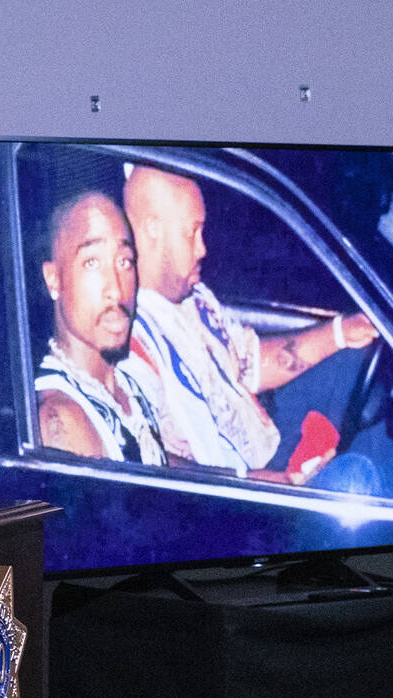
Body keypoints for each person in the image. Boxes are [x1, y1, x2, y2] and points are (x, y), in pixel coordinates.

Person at [121, 165, 379, 480]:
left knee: (358, 358)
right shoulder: (126, 338)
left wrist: (340, 333)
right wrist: (261, 482)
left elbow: (252, 362)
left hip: (264, 436)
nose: (203, 248)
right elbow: (148, 460)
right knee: (367, 468)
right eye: (192, 232)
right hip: (235, 484)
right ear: (152, 229)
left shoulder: (194, 297)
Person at [36, 191, 166, 465]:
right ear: (54, 279)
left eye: (124, 262)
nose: (116, 290)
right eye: (92, 263)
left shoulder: (122, 384)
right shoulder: (64, 418)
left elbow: (158, 465)